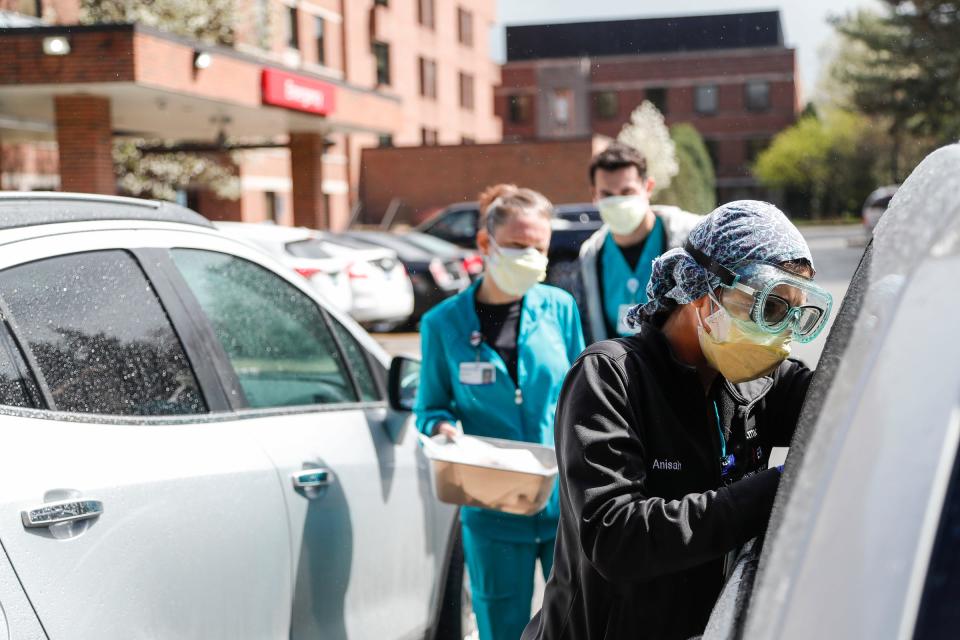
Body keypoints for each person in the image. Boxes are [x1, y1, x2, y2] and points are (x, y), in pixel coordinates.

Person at [523, 201, 834, 640]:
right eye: (771, 308)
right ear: (706, 295)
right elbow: (616, 538)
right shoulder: (611, 376)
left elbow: (846, 403)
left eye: (795, 314)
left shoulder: (756, 382)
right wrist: (776, 488)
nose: (782, 334)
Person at [415, 184, 586, 640]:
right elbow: (429, 408)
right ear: (486, 244)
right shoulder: (443, 323)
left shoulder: (560, 308)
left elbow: (583, 395)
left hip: (563, 505)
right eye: (517, 246)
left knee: (573, 624)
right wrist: (443, 428)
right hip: (491, 506)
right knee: (502, 629)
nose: (530, 257)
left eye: (540, 248)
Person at [551, 142, 701, 344]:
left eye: (626, 192)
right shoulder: (590, 257)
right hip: (622, 371)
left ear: (648, 187)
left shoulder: (690, 237)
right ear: (594, 195)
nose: (617, 202)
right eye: (607, 195)